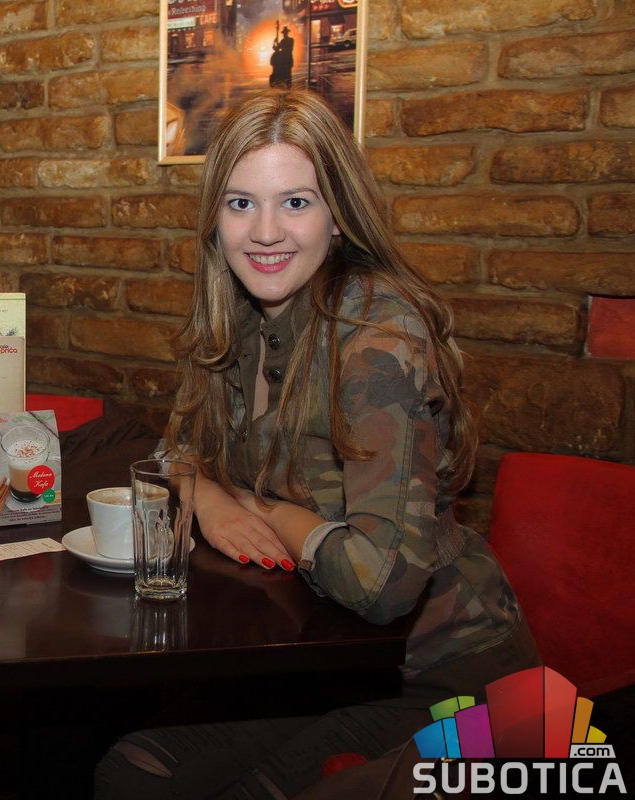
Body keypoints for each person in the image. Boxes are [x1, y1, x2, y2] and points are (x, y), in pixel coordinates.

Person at [94, 89, 538, 799]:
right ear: (215, 219)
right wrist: (212, 500)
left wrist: (270, 512)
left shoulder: (376, 338)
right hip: (310, 649)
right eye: (241, 203)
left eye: (295, 202)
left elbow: (383, 584)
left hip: (438, 673)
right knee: (134, 769)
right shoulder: (240, 316)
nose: (265, 231)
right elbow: (175, 448)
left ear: (338, 215)